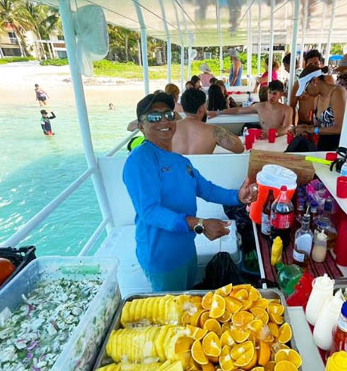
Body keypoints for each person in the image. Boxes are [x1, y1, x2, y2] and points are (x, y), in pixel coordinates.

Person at [122, 92, 257, 290]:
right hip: (162, 258)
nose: (163, 121)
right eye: (153, 117)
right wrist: (200, 224)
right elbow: (150, 212)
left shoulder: (180, 161)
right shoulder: (140, 159)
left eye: (168, 115)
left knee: (188, 305)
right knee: (173, 316)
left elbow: (205, 188)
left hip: (186, 250)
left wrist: (237, 196)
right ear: (141, 126)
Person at [208, 80, 293, 136]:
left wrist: (272, 134)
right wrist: (218, 112)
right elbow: (238, 110)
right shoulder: (260, 106)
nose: (271, 96)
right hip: (263, 139)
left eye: (274, 94)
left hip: (280, 139)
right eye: (269, 93)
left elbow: (286, 127)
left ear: (281, 94)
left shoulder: (287, 109)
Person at [292, 66, 347, 150]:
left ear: (314, 81)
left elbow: (340, 128)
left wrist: (313, 130)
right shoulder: (317, 98)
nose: (306, 92)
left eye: (306, 89)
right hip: (324, 143)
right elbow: (320, 126)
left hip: (339, 145)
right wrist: (306, 128)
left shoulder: (337, 92)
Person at [173, 88, 244, 155]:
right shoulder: (213, 130)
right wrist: (223, 130)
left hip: (175, 168)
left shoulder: (170, 128)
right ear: (201, 109)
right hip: (203, 168)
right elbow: (239, 148)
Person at [289, 49, 331, 125]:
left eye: (316, 64)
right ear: (306, 66)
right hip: (303, 124)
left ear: (320, 64)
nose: (313, 67)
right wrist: (293, 126)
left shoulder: (327, 81)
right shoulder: (298, 84)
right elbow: (292, 106)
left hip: (322, 126)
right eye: (310, 65)